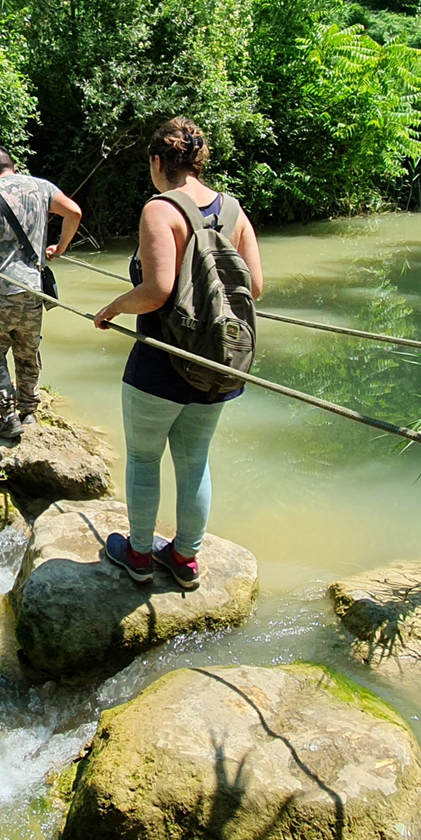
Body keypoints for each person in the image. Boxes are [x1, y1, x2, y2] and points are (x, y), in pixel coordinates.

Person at [91, 118, 263, 591]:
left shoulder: (160, 209)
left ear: (156, 162)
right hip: (219, 362)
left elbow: (157, 291)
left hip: (161, 362)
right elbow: (257, 287)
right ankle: (185, 559)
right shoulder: (234, 210)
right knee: (195, 461)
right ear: (199, 161)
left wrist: (111, 309)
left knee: (145, 459)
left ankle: (140, 555)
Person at [0, 144, 82, 440]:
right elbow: (74, 211)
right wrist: (60, 247)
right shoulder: (41, 186)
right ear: (12, 165)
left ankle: (8, 416)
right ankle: (29, 412)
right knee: (28, 350)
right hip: (33, 289)